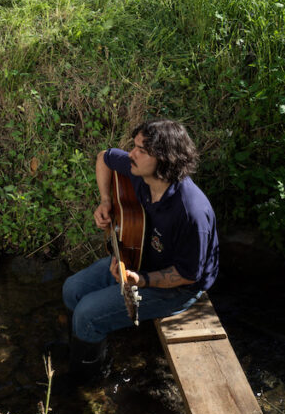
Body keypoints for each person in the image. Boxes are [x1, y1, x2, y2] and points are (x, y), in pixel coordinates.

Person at [62, 119, 218, 380]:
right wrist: (105, 200)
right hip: (138, 257)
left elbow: (189, 274)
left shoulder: (192, 213)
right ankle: (78, 347)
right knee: (72, 289)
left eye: (141, 151)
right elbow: (104, 157)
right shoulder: (139, 172)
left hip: (176, 287)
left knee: (87, 314)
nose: (131, 154)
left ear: (165, 160)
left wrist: (141, 280)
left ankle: (87, 380)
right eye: (134, 146)